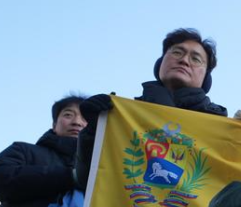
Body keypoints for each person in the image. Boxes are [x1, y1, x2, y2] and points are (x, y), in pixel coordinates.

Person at [74, 28, 228, 190]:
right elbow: (89, 181)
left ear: (206, 77)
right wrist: (93, 132)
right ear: (160, 63)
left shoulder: (222, 131)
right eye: (177, 52)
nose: (184, 60)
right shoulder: (124, 119)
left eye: (196, 59)